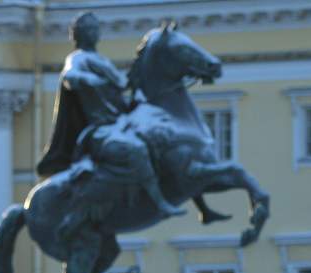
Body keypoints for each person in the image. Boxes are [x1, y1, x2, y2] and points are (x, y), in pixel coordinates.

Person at [37, 12, 228, 225]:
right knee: (136, 149)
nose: (94, 33)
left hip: (120, 124)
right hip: (101, 131)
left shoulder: (102, 60)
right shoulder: (79, 58)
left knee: (167, 146)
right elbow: (69, 76)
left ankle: (204, 209)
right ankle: (159, 202)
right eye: (88, 29)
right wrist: (90, 79)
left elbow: (122, 86)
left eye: (95, 28)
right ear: (78, 35)